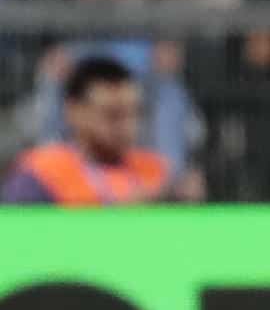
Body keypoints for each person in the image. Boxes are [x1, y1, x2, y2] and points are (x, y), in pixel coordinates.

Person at [3, 57, 178, 205]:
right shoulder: (42, 173)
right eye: (113, 115)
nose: (127, 126)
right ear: (74, 111)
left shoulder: (155, 171)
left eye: (134, 113)